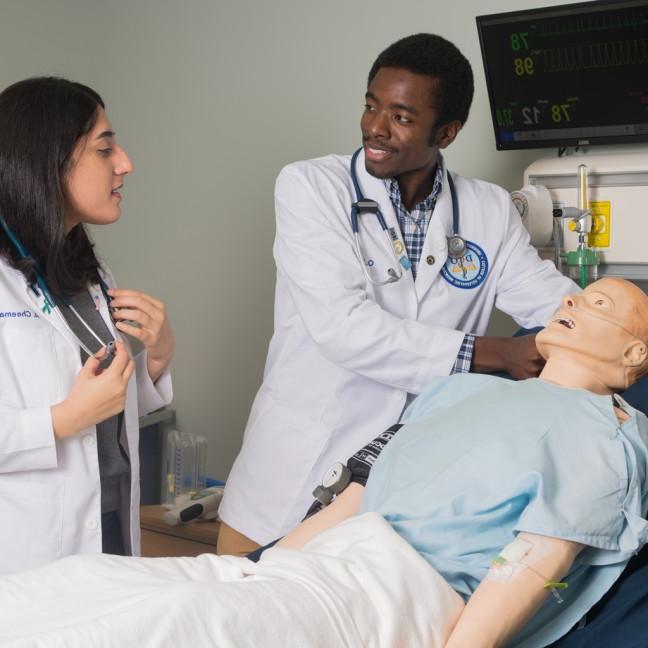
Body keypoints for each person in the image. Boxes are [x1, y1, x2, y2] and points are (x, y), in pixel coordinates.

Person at [0, 278, 645, 648]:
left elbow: (535, 562)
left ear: (635, 356)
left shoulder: (605, 438)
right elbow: (357, 500)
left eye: (600, 307)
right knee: (84, 584)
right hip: (321, 563)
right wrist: (255, 570)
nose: (571, 303)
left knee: (166, 626)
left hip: (404, 591)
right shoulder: (461, 390)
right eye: (577, 295)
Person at [217, 33, 578, 554]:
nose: (375, 127)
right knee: (241, 623)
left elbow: (552, 302)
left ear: (447, 132)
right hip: (294, 475)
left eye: (401, 117)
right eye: (371, 105)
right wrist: (497, 353)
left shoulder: (488, 210)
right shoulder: (311, 188)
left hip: (407, 485)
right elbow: (344, 328)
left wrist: (604, 324)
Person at [0, 77, 174, 575]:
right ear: (48, 160)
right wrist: (60, 421)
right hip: (28, 545)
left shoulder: (87, 272)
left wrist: (156, 360)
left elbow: (102, 402)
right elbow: (76, 410)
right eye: (105, 148)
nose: (125, 163)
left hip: (112, 522)